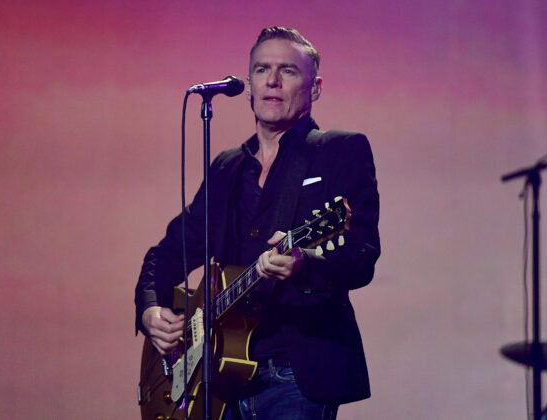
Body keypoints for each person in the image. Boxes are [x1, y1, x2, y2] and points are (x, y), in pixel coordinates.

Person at [135, 26, 380, 420]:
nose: (273, 80)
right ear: (248, 86)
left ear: (315, 87)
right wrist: (151, 312)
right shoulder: (227, 168)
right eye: (262, 69)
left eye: (288, 70)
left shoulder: (339, 151)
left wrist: (304, 264)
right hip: (217, 380)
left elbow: (362, 255)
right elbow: (167, 255)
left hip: (295, 376)